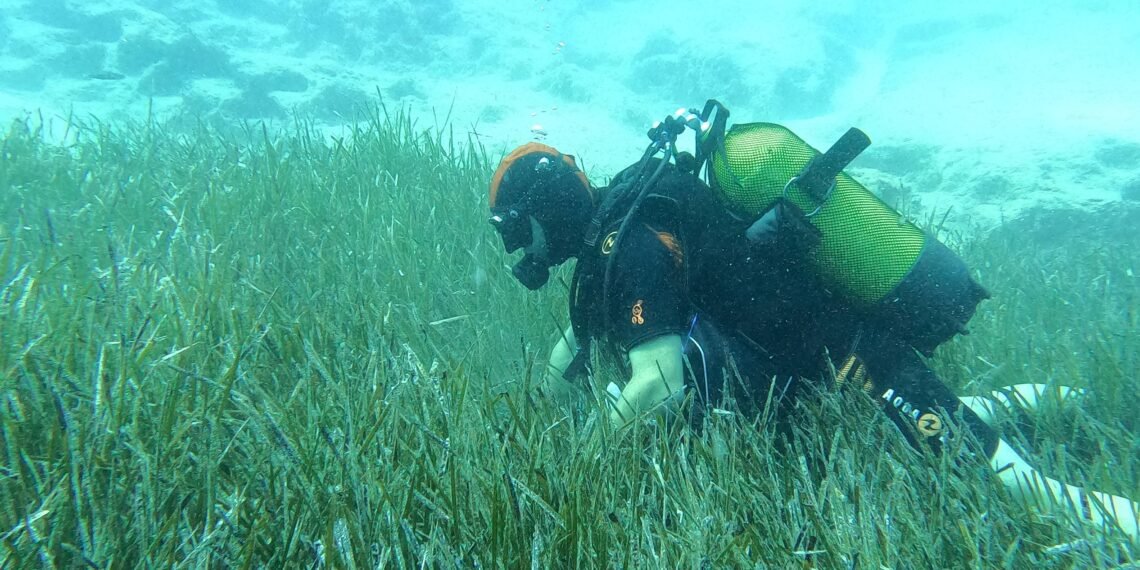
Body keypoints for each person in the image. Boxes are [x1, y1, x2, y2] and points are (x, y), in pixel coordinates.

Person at [485, 107, 1139, 542]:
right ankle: (1048, 400)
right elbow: (576, 341)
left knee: (1006, 479)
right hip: (813, 374)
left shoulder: (629, 244)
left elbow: (658, 382)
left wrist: (575, 477)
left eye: (519, 231)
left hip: (852, 358)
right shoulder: (621, 229)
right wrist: (541, 415)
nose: (523, 250)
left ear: (547, 208)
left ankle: (1113, 513)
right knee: (902, 437)